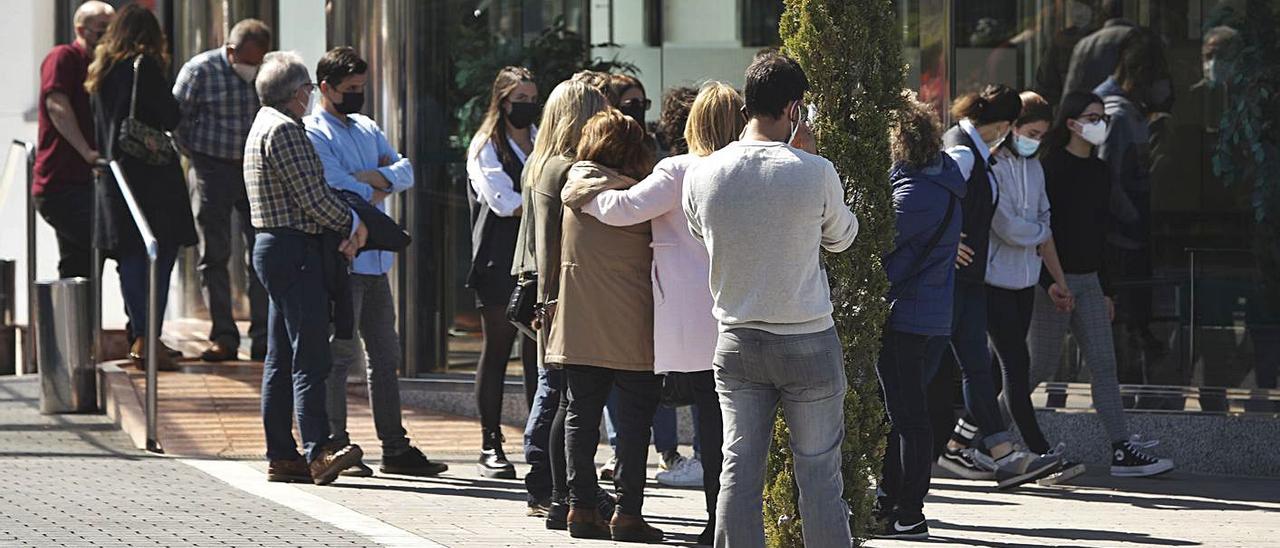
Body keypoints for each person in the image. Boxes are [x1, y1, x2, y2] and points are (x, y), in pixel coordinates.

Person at [683, 52, 856, 548]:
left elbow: (701, 233)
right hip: (806, 338)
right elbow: (842, 238)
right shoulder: (814, 170)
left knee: (738, 469)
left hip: (736, 338)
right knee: (820, 474)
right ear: (794, 108)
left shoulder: (702, 173)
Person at [582, 81, 743, 546]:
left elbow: (623, 208)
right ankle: (723, 521)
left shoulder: (678, 169)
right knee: (725, 430)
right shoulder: (746, 168)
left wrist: (581, 187)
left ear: (695, 123)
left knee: (702, 426)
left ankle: (712, 523)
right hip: (739, 313)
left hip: (687, 321)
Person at [305, 46, 447, 478]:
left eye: (362, 87)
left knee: (386, 357)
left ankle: (395, 446)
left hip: (376, 263)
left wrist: (370, 181)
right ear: (325, 88)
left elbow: (407, 170)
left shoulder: (366, 126)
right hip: (344, 259)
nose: (358, 95)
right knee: (340, 356)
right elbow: (337, 189)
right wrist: (376, 183)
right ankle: (337, 444)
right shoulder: (314, 132)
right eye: (350, 89)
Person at [1031, 91, 1175, 478]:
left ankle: (1121, 448)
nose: (1100, 124)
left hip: (1090, 281)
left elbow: (1102, 232)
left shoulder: (1099, 170)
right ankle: (981, 434)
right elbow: (1042, 233)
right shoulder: (1051, 167)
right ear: (1072, 123)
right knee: (1035, 368)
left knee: (1104, 365)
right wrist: (1049, 282)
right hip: (1052, 283)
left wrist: (1108, 289)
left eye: (1103, 117)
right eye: (1092, 117)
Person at [243, 50, 367, 486]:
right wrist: (356, 224)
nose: (311, 97)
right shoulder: (285, 130)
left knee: (281, 355)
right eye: (309, 90)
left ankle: (283, 454)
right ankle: (317, 451)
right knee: (310, 355)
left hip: (275, 248)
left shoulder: (261, 123)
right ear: (299, 93)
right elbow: (313, 199)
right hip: (293, 250)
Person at [932, 85, 1062, 489]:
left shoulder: (976, 149)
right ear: (1006, 125)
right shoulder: (964, 151)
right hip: (966, 280)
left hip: (975, 281)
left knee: (977, 367)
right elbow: (930, 195)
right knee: (972, 367)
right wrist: (946, 240)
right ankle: (1013, 451)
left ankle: (987, 451)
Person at [549, 108, 661, 542]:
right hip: (634, 324)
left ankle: (580, 508)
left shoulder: (574, 192)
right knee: (634, 423)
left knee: (580, 416)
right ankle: (628, 514)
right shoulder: (637, 200)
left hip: (579, 323)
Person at [873, 91, 966, 542]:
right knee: (903, 412)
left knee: (908, 416)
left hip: (906, 317)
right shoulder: (942, 182)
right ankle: (892, 501)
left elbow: (875, 243)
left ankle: (909, 511)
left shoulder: (913, 192)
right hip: (930, 316)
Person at [518, 80, 612, 526]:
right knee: (560, 397)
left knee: (553, 392)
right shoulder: (566, 169)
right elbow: (560, 243)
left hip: (546, 292)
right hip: (562, 296)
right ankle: (555, 488)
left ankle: (556, 489)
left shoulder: (539, 164)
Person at [86, 4, 197, 369]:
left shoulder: (100, 71)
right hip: (152, 180)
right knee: (158, 258)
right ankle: (148, 339)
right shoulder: (143, 66)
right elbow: (170, 116)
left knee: (130, 260)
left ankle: (141, 335)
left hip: (115, 179)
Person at [981, 91, 1079, 478]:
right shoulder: (994, 166)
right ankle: (1041, 451)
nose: (1035, 140)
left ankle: (961, 443)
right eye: (1030, 132)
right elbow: (1006, 228)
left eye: (1041, 135)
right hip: (993, 282)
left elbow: (1043, 229)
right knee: (1017, 368)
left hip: (1024, 284)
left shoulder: (1035, 169)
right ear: (1012, 128)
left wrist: (1058, 281)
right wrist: (1038, 231)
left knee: (993, 370)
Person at [173, 18, 273, 362]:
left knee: (262, 252)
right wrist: (196, 157)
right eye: (247, 61)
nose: (252, 68)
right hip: (211, 168)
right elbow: (177, 120)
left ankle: (263, 336)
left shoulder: (266, 71)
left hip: (254, 171)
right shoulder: (199, 70)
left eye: (257, 62)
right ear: (231, 52)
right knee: (213, 254)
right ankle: (224, 336)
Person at [464, 66, 540, 480]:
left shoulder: (541, 141)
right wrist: (545, 201)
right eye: (520, 99)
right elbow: (502, 201)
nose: (527, 106)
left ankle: (537, 441)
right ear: (502, 101)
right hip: (498, 259)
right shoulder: (486, 146)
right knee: (497, 349)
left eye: (532, 98)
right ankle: (490, 442)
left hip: (536, 261)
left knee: (536, 354)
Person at [34, 0, 113, 280]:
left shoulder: (104, 66)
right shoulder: (63, 57)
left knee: (79, 260)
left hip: (90, 182)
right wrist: (87, 152)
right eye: (102, 28)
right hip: (62, 182)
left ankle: (76, 323)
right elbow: (57, 105)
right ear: (81, 29)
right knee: (101, 243)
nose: (108, 35)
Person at [1062, 0, 1134, 96]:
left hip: (1093, 107)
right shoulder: (1144, 38)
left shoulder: (1085, 44)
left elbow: (1071, 93)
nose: (1078, 13)